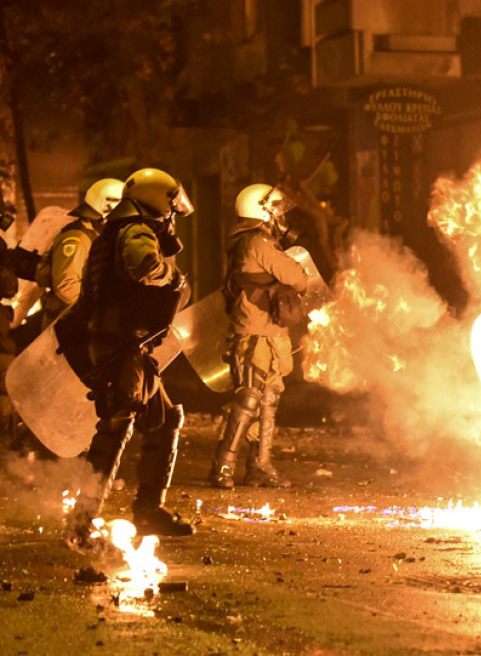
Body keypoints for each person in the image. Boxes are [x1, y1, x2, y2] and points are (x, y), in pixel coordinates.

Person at [62, 167, 195, 546]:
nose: (171, 215)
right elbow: (143, 265)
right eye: (169, 206)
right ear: (156, 199)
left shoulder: (122, 227)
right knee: (117, 423)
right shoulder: (136, 230)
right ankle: (81, 523)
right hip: (118, 343)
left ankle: (149, 510)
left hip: (127, 343)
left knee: (166, 417)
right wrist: (171, 277)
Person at [209, 183, 308, 489]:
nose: (280, 214)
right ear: (260, 211)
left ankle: (259, 467)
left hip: (269, 332)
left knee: (268, 398)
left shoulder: (259, 242)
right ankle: (222, 467)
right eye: (275, 208)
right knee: (248, 398)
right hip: (253, 333)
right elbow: (298, 278)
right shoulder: (256, 243)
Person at [36, 178, 124, 327]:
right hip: (65, 324)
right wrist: (99, 311)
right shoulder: (77, 239)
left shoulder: (95, 236)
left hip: (78, 321)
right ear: (106, 210)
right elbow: (66, 286)